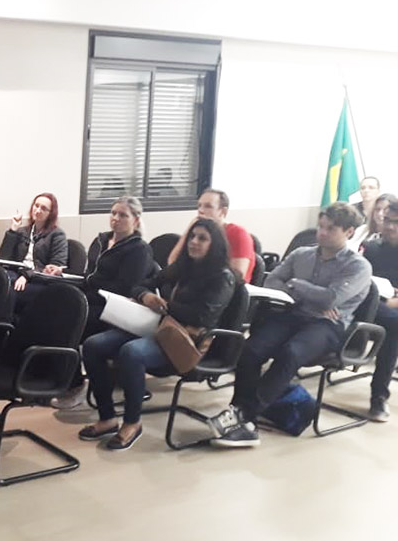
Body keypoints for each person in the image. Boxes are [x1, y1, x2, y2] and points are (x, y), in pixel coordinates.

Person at [210, 202, 371, 447]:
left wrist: (295, 284)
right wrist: (309, 293)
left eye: (331, 229)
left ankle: (243, 415)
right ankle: (242, 418)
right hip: (293, 315)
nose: (322, 232)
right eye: (321, 226)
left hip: (328, 325)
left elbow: (331, 299)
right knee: (251, 349)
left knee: (291, 352)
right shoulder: (301, 254)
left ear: (349, 232)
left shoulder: (358, 266)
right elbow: (272, 281)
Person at [78, 218, 236, 450]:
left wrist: (164, 306)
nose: (194, 242)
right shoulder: (183, 266)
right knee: (93, 345)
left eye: (202, 238)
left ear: (215, 245)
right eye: (192, 237)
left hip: (186, 342)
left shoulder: (223, 277)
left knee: (132, 352)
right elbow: (140, 285)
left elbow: (201, 317)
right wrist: (146, 296)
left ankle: (132, 423)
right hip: (161, 328)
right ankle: (107, 418)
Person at [50, 196, 156, 408]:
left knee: (69, 322)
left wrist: (92, 282)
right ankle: (57, 379)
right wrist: (69, 275)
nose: (116, 218)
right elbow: (89, 276)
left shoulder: (139, 249)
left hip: (115, 308)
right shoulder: (101, 241)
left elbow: (126, 287)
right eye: (113, 213)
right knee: (55, 308)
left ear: (135, 220)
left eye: (123, 215)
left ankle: (75, 385)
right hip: (93, 298)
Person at [0, 192, 68, 312]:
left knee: (10, 291)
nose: (38, 210)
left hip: (39, 280)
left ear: (51, 213)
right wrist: (13, 230)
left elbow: (54, 267)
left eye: (43, 208)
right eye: (36, 206)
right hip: (17, 274)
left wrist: (27, 275)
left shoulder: (57, 235)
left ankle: (4, 322)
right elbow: (4, 258)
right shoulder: (23, 231)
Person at [169, 188, 255, 283]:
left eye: (208, 206)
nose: (201, 210)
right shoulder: (197, 232)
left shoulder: (238, 233)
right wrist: (189, 230)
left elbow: (237, 276)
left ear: (222, 212)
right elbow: (172, 264)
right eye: (199, 206)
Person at [364, 198, 398, 421]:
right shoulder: (372, 248)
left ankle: (378, 396)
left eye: (396, 222)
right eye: (387, 221)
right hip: (372, 303)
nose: (390, 227)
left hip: (391, 309)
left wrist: (392, 302)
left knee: (394, 326)